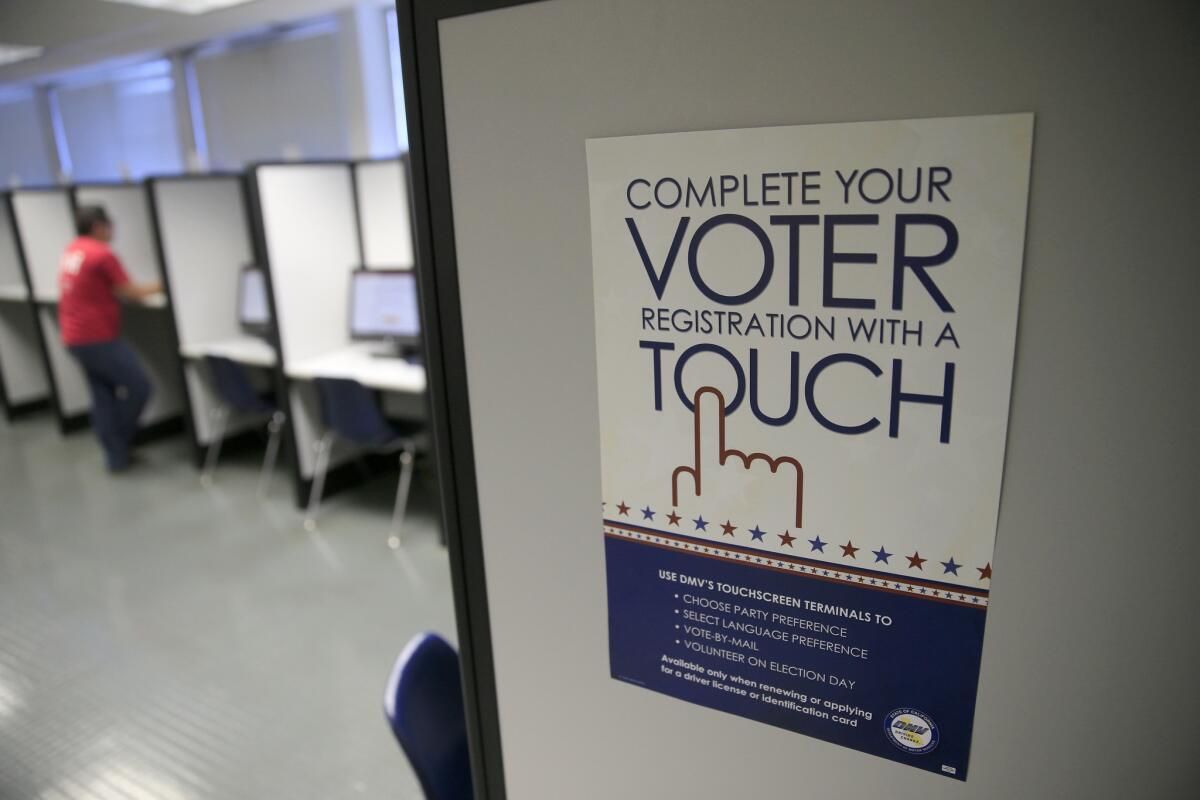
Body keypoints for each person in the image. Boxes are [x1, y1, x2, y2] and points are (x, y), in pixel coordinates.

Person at [59, 205, 163, 472]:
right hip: (96, 337)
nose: (112, 231)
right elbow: (133, 294)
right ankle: (119, 441)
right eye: (109, 225)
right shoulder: (101, 254)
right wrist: (166, 282)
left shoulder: (74, 249)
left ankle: (115, 455)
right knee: (140, 387)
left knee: (102, 394)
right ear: (97, 227)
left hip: (74, 336)